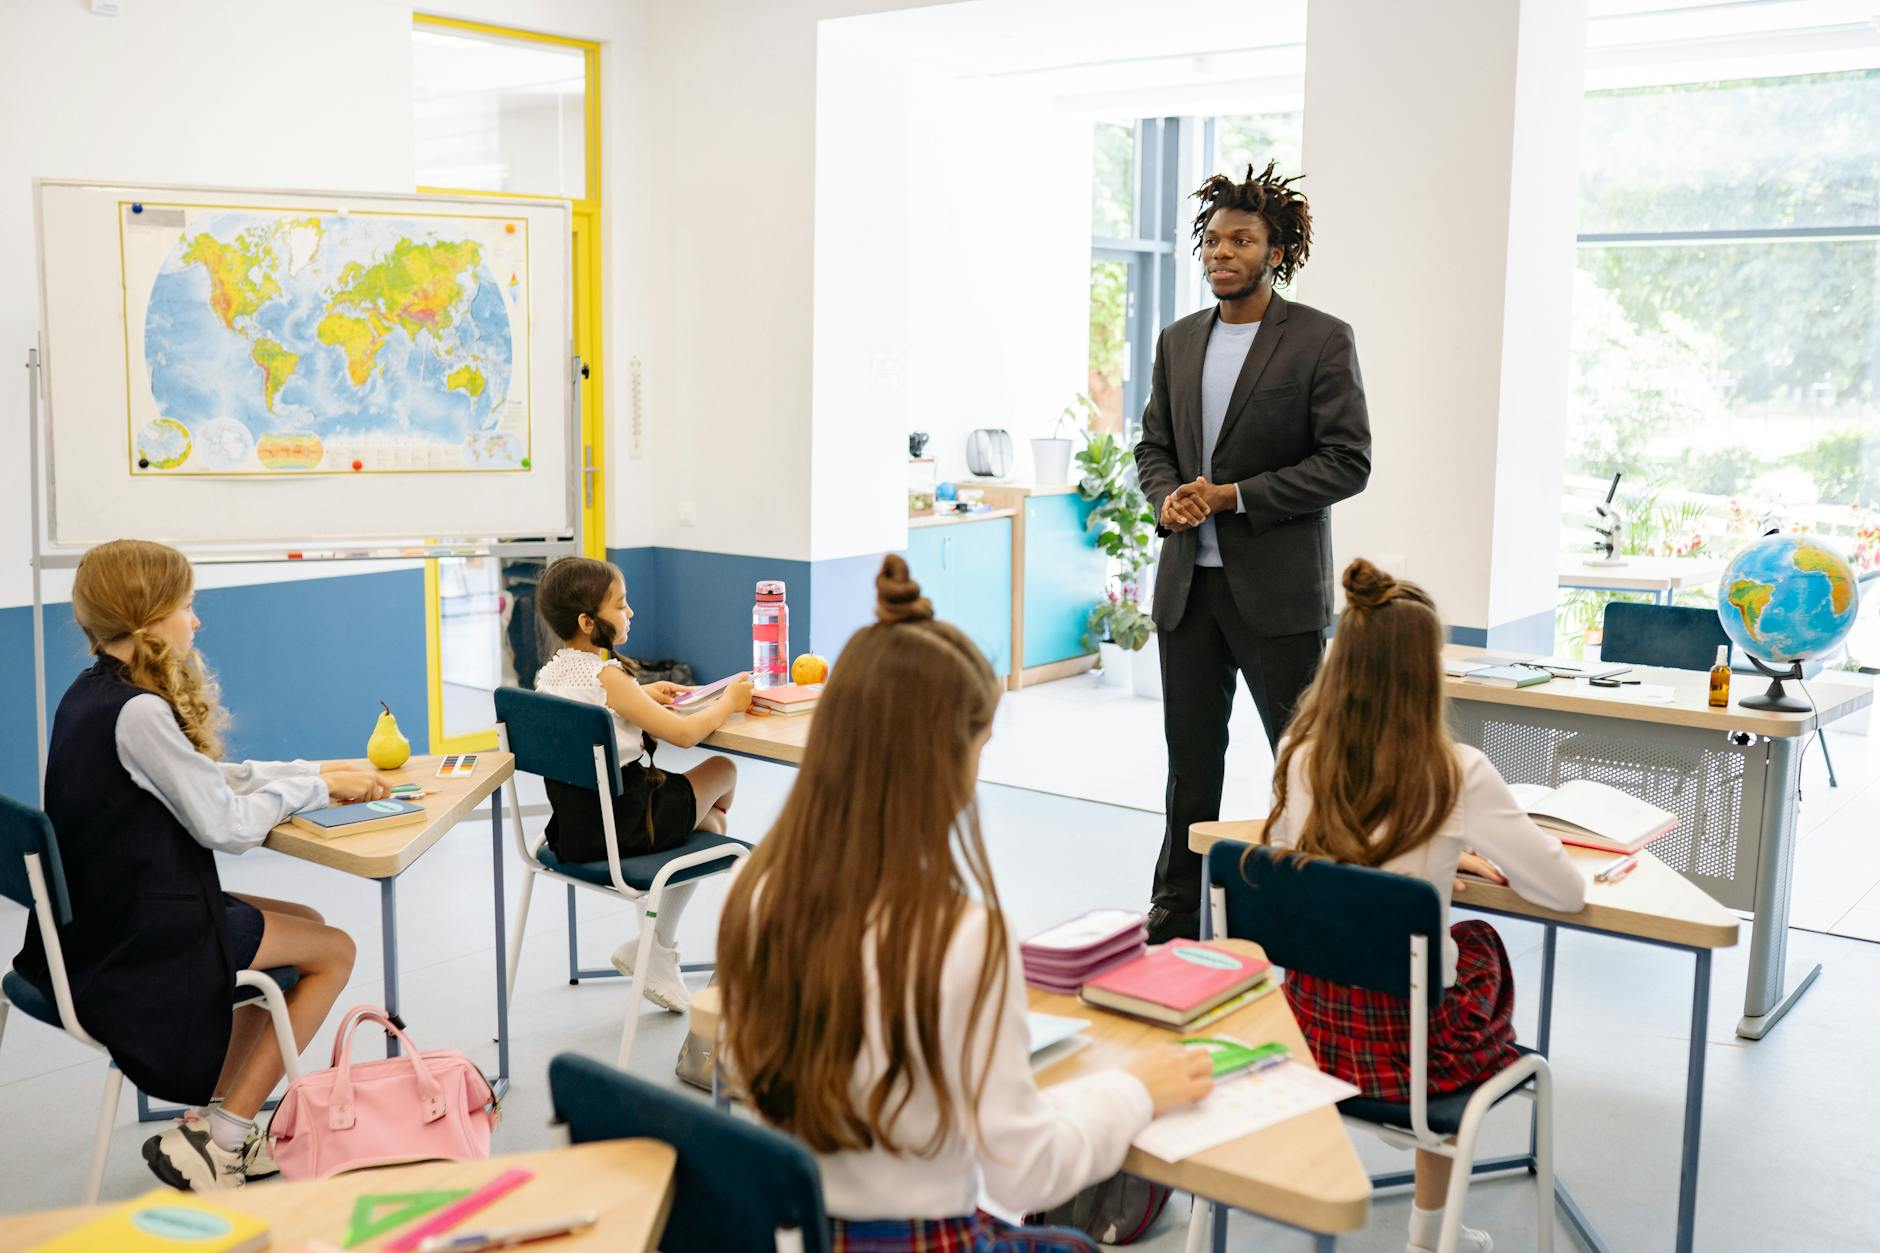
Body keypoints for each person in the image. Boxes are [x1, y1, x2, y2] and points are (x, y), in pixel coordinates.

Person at [716, 555, 1213, 1253]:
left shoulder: (759, 892)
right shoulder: (961, 934)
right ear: (941, 760)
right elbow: (1025, 1174)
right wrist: (1134, 1090)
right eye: (978, 747)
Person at [12, 539, 379, 1191]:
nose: (197, 620)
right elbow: (226, 824)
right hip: (138, 946)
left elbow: (207, 780)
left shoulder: (93, 693)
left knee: (304, 925)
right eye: (187, 605)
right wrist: (320, 790)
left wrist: (321, 771)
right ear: (150, 616)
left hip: (88, 933)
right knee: (337, 950)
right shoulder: (142, 710)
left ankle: (213, 1119)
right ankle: (226, 1140)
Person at [1260, 559, 1585, 1253]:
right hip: (1412, 1060)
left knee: (1428, 949)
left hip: (1311, 1035)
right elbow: (1565, 890)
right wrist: (1448, 843)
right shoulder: (1456, 772)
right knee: (1475, 946)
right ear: (1424, 673)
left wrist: (1436, 851)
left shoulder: (1297, 753)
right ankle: (1427, 1234)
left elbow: (1316, 869)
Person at [1134, 161, 1372, 943]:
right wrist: (1167, 495)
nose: (1221, 252)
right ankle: (1176, 911)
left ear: (1277, 251)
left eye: (1241, 239)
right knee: (1188, 767)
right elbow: (1154, 446)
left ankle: (1317, 912)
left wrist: (1234, 495)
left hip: (1277, 593)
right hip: (1187, 592)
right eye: (1212, 240)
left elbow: (1347, 461)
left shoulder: (1319, 340)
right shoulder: (1177, 343)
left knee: (1302, 766)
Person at [532, 555, 752, 1012]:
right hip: (630, 822)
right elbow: (687, 736)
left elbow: (598, 711)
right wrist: (729, 701)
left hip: (575, 830)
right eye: (621, 604)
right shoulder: (606, 675)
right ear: (588, 621)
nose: (629, 612)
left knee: (709, 827)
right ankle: (654, 950)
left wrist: (639, 698)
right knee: (723, 773)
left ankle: (654, 949)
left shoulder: (549, 674)